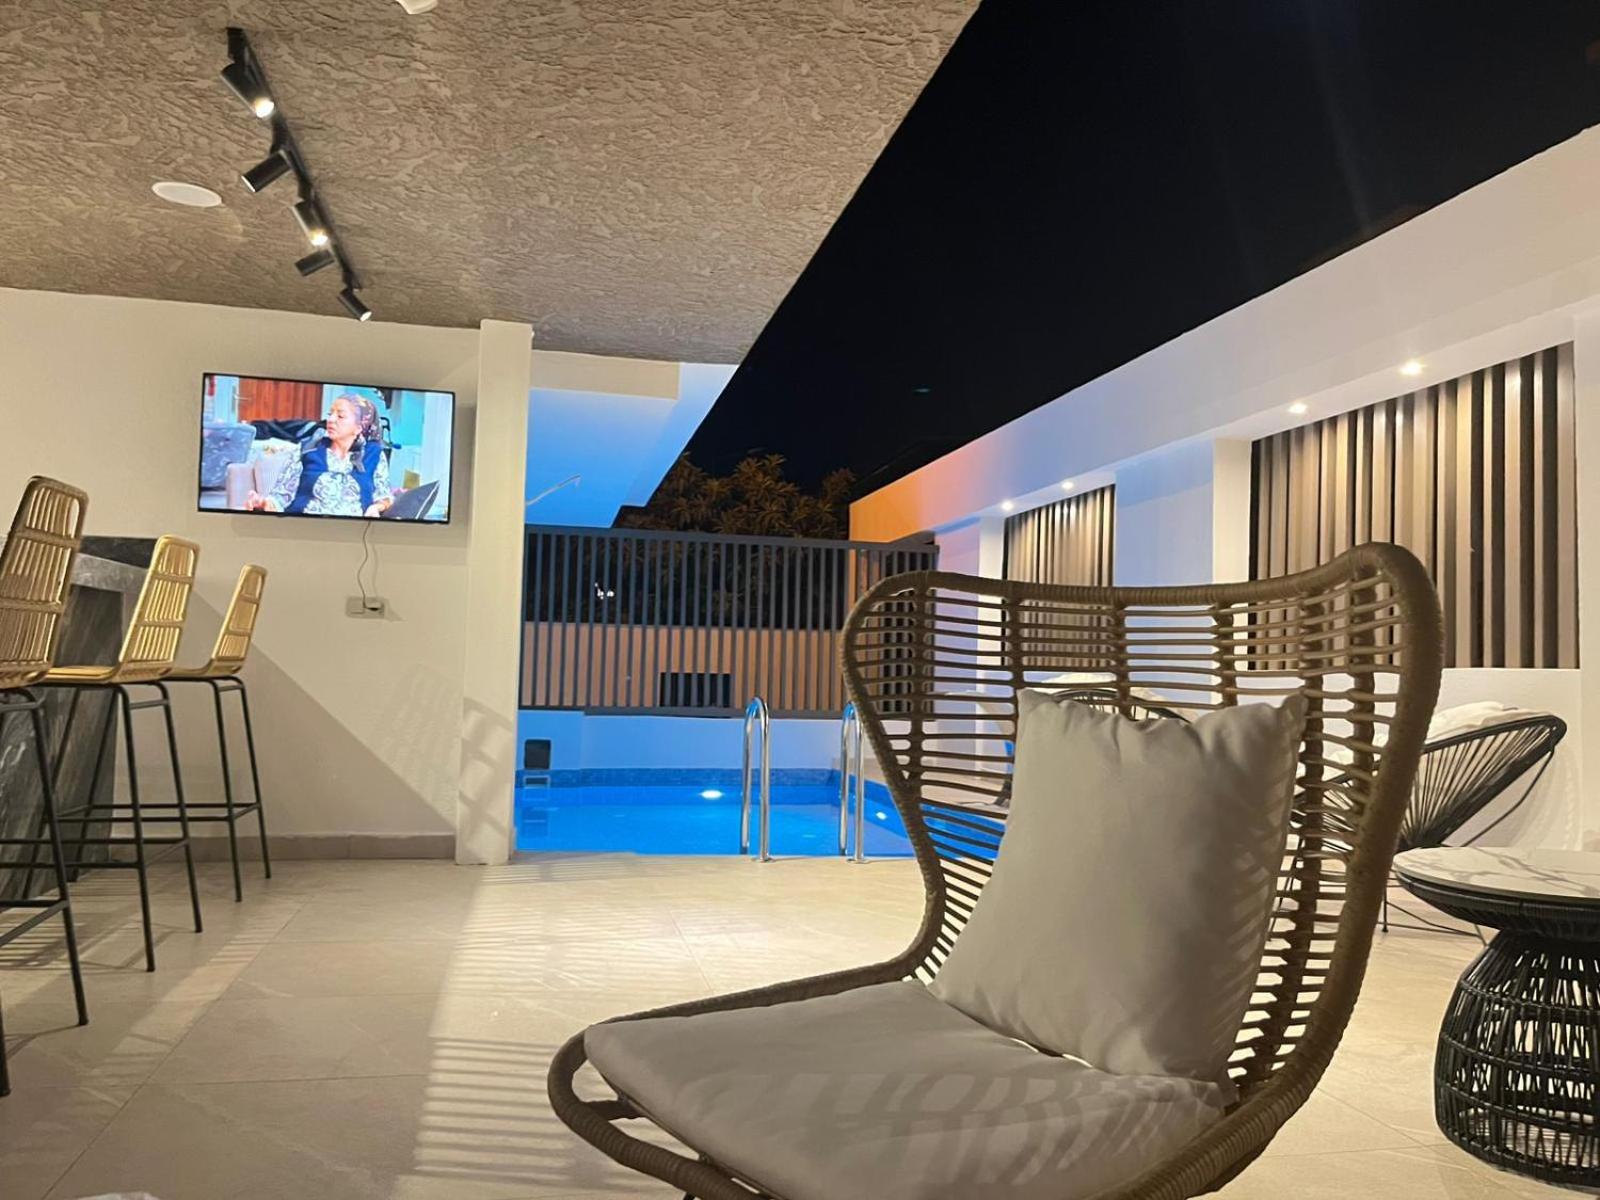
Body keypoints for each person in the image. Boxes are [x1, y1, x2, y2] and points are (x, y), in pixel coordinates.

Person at [246, 394, 393, 517]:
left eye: (340, 416)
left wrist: (376, 507)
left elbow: (384, 496)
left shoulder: (374, 455)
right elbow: (281, 497)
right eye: (330, 414)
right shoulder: (308, 449)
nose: (331, 420)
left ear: (358, 427)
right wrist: (263, 503)